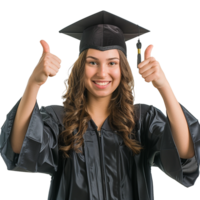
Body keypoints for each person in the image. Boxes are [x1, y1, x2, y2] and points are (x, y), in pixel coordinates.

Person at [0, 11, 200, 200]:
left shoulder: (142, 119)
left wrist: (164, 87)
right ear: (80, 68)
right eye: (92, 62)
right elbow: (19, 147)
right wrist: (33, 83)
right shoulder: (59, 119)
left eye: (112, 63)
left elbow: (185, 154)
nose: (102, 73)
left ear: (121, 69)